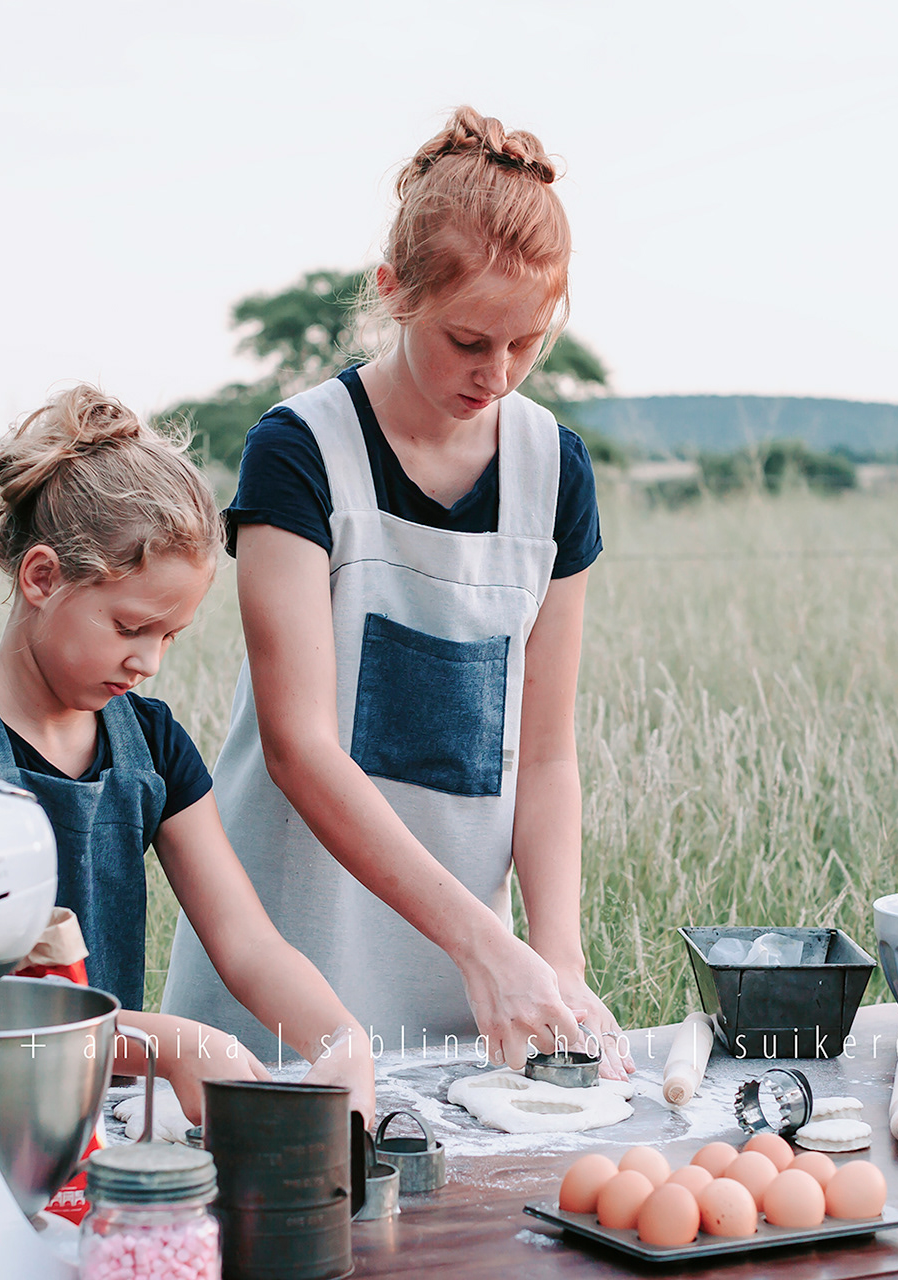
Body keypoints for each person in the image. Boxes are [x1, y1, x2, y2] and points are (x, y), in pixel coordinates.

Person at [160, 106, 629, 1077]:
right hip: (285, 964)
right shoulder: (300, 451)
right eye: (469, 340)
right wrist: (483, 943)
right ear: (394, 294)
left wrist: (555, 958)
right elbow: (299, 748)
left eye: (526, 343)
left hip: (464, 988)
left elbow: (545, 757)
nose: (497, 374)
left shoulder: (554, 471)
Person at [0, 385, 376, 1121]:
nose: (149, 663)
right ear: (41, 577)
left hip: (94, 1119)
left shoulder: (152, 744)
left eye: (170, 637)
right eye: (130, 627)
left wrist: (340, 1036)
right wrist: (160, 1044)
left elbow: (245, 942)